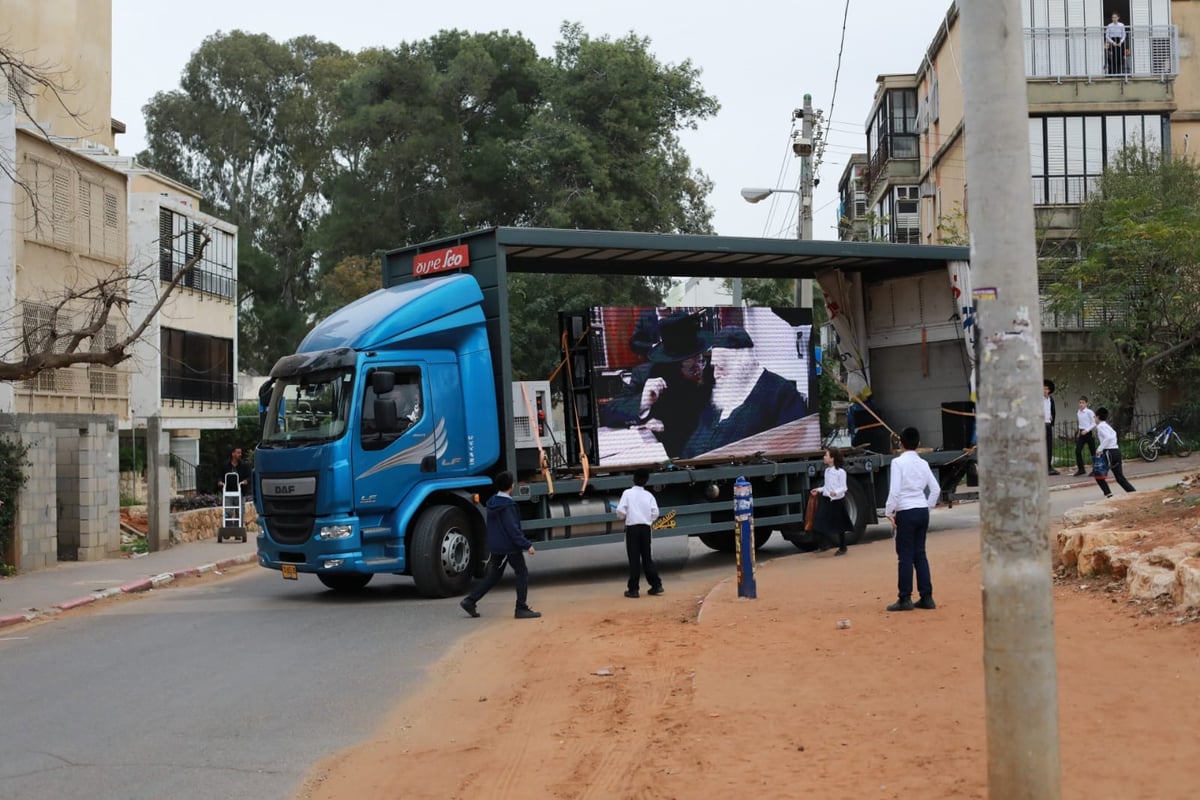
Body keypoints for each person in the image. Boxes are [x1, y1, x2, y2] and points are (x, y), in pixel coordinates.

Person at [681, 326, 809, 458]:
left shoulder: (781, 394)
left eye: (721, 368)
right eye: (714, 367)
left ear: (742, 366)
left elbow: (791, 450)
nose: (715, 375)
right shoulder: (722, 395)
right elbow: (693, 445)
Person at [600, 311, 713, 458]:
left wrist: (667, 427)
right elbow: (608, 412)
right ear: (674, 365)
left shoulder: (711, 370)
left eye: (701, 360)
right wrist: (642, 403)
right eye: (692, 367)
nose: (699, 369)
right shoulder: (646, 374)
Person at [460, 472, 541, 619]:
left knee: (494, 576)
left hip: (497, 546)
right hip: (508, 547)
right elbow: (513, 529)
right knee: (521, 572)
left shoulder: (492, 502)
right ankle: (521, 607)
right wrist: (527, 544)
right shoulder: (508, 505)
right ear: (511, 486)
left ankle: (470, 600)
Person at [883, 427, 940, 612]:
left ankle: (905, 597)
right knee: (920, 554)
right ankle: (927, 596)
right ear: (919, 444)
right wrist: (927, 506)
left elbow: (894, 490)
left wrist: (889, 511)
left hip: (906, 511)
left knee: (905, 556)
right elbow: (936, 489)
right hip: (921, 509)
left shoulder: (898, 463)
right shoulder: (923, 463)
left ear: (900, 443)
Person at [615, 467, 664, 598]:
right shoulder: (649, 495)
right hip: (645, 528)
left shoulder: (627, 493)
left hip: (632, 528)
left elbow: (620, 512)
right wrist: (647, 519)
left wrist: (623, 515)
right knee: (647, 557)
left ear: (633, 479)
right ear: (646, 481)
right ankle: (656, 585)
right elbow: (655, 513)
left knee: (634, 559)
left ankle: (634, 589)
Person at [810, 447, 852, 555]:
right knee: (819, 520)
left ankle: (843, 547)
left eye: (826, 455)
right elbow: (826, 486)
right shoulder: (827, 471)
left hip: (837, 501)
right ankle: (824, 544)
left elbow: (844, 487)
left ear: (832, 458)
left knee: (839, 524)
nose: (824, 457)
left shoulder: (841, 472)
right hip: (826, 499)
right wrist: (818, 490)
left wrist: (836, 492)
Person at [1093, 407, 1136, 497]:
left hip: (1108, 452)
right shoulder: (1107, 425)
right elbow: (1114, 434)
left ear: (1098, 417)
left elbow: (1108, 437)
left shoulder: (1100, 426)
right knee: (1119, 477)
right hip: (1115, 451)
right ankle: (1133, 493)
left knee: (1098, 474)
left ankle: (1109, 495)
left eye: (1094, 417)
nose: (1094, 419)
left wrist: (1100, 449)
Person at [1074, 396, 1098, 476]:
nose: (1081, 404)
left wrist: (1087, 430)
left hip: (1088, 433)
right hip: (1081, 433)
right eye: (1080, 402)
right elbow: (1080, 423)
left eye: (1083, 403)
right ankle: (1081, 469)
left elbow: (1094, 423)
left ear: (1086, 403)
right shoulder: (1078, 412)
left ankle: (1096, 469)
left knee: (1093, 452)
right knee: (1077, 450)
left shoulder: (1089, 412)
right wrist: (1079, 431)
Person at [1044, 379, 1060, 475]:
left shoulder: (1051, 399)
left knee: (1049, 447)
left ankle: (1048, 467)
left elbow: (1053, 411)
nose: (1045, 391)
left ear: (1049, 390)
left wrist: (1052, 420)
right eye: (1043, 389)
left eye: (1046, 389)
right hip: (1040, 426)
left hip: (1048, 424)